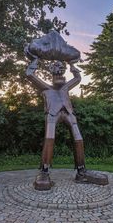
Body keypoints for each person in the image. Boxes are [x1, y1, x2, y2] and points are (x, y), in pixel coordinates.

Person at [26, 59, 108, 190]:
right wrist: (35, 61)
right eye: (56, 70)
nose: (60, 73)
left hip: (69, 113)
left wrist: (71, 65)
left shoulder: (65, 87)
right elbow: (29, 74)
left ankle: (81, 172)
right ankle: (44, 171)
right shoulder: (46, 87)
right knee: (49, 138)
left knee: (79, 138)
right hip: (52, 114)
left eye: (61, 70)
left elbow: (77, 77)